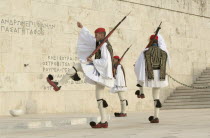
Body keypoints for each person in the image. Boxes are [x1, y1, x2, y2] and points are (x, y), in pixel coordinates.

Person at [47, 22, 114, 128]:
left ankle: (59, 85)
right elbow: (89, 38)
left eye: (97, 35)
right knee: (99, 98)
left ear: (101, 35)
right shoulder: (100, 43)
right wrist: (83, 28)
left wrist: (93, 60)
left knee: (78, 66)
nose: (95, 36)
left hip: (101, 74)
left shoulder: (105, 45)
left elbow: (106, 62)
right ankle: (104, 121)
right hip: (101, 74)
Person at [134, 34, 171, 123]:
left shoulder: (146, 51)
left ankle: (141, 92)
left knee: (140, 77)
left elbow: (139, 66)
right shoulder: (164, 52)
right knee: (156, 95)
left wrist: (135, 66)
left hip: (150, 75)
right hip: (161, 75)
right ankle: (156, 116)